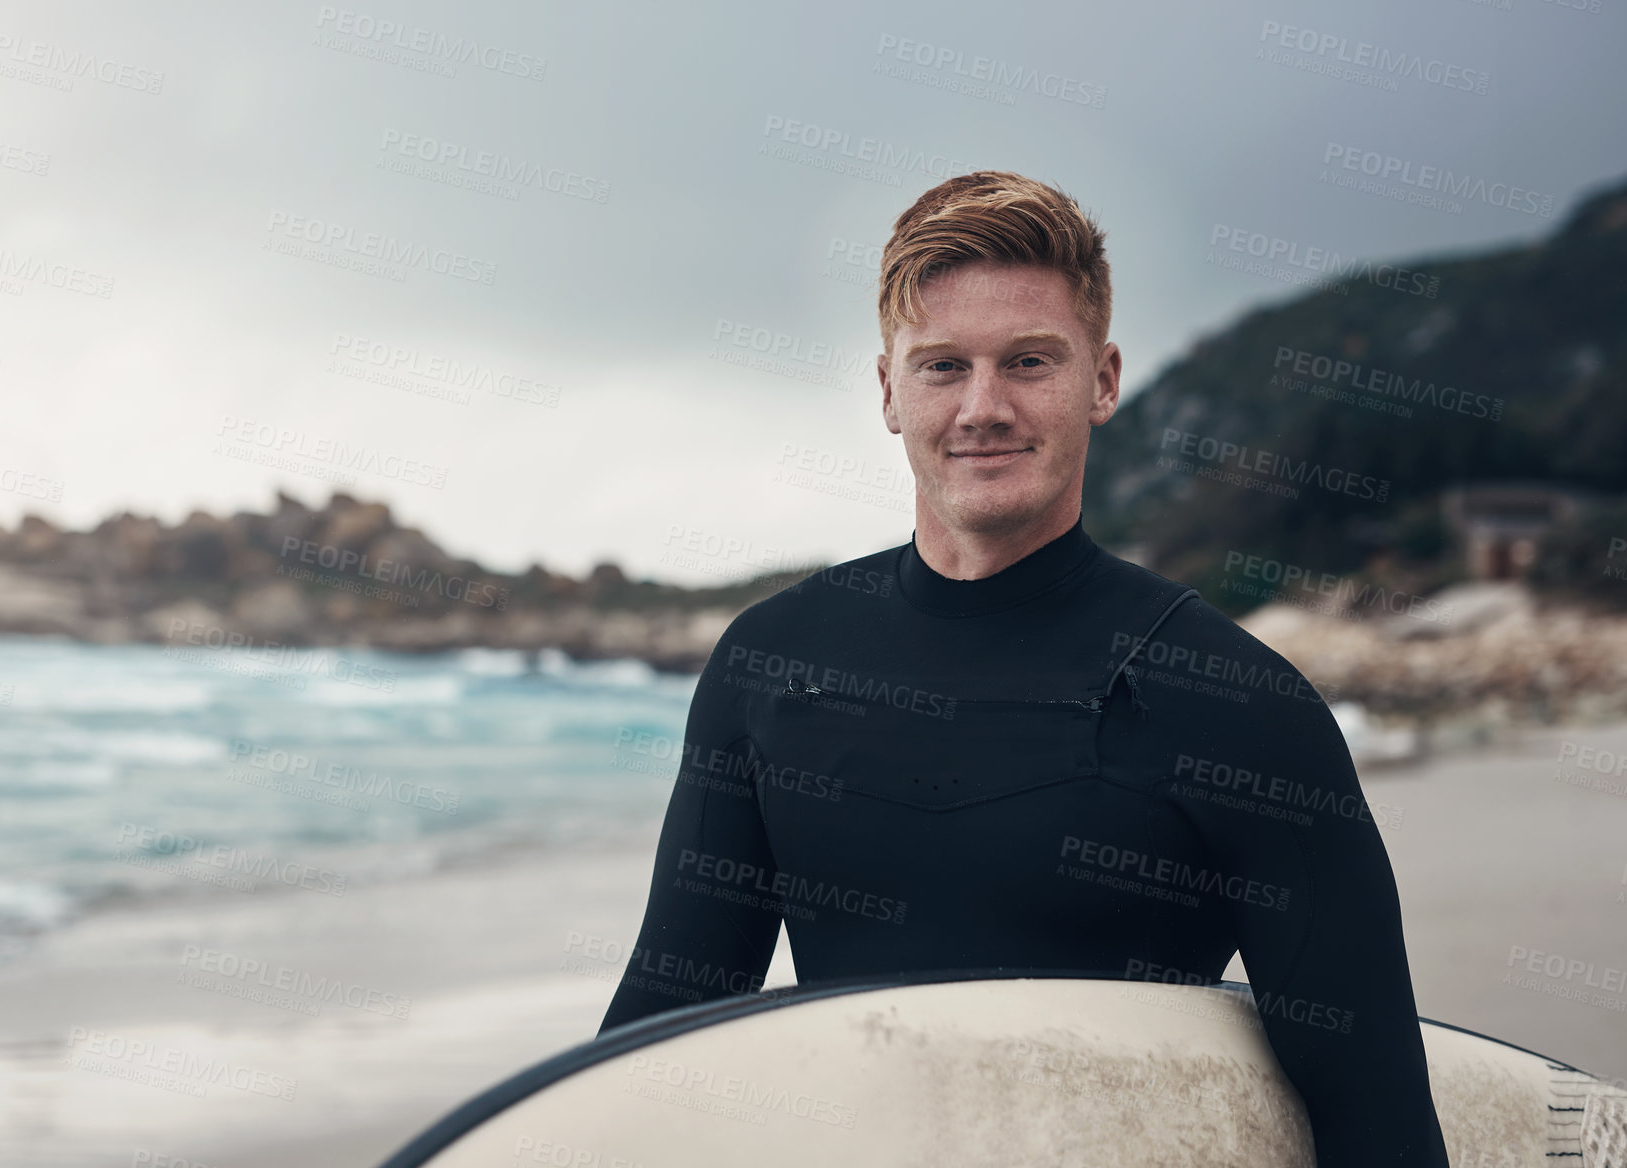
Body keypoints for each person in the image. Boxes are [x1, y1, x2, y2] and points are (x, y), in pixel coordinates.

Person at [599, 170, 1449, 1165]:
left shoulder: (1238, 706)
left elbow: (1374, 1117)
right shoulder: (769, 664)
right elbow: (655, 1045)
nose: (982, 406)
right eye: (942, 366)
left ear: (1101, 379)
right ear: (887, 390)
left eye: (1028, 362)